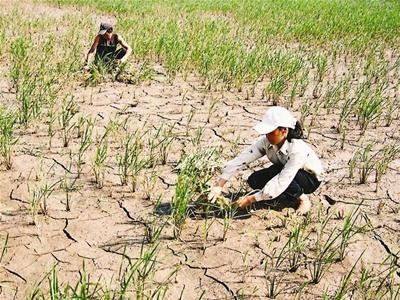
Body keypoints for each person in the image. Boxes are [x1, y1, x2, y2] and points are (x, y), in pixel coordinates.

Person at [208, 106, 324, 215]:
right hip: (283, 171)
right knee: (254, 180)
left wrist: (250, 199)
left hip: (309, 179)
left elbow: (282, 179)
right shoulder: (266, 141)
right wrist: (220, 184)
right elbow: (243, 159)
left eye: (271, 132)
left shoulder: (297, 150)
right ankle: (283, 196)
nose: (267, 135)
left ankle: (303, 199)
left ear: (284, 131)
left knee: (275, 172)